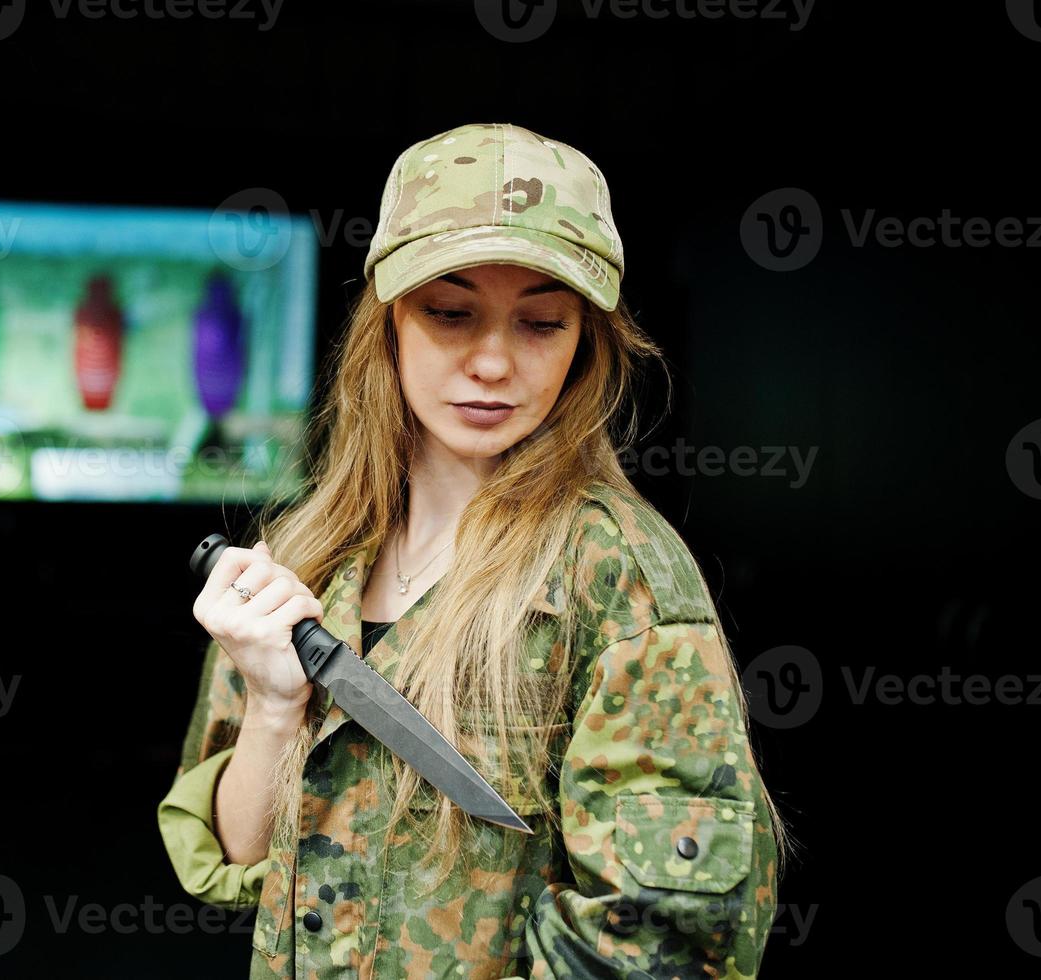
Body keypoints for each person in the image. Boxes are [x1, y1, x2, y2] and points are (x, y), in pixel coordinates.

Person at [158, 122, 791, 978]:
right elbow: (237, 864)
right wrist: (274, 707)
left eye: (540, 323)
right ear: (386, 324)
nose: (492, 361)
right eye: (450, 313)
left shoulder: (616, 576)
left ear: (584, 344)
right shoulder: (305, 557)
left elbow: (663, 939)